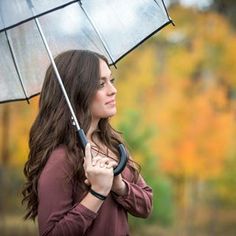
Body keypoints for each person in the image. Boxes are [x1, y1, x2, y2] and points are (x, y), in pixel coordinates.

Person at [22, 49, 152, 236]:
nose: (113, 90)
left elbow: (146, 205)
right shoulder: (61, 158)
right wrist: (97, 193)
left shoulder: (113, 145)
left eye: (111, 80)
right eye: (101, 84)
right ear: (77, 92)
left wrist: (119, 186)